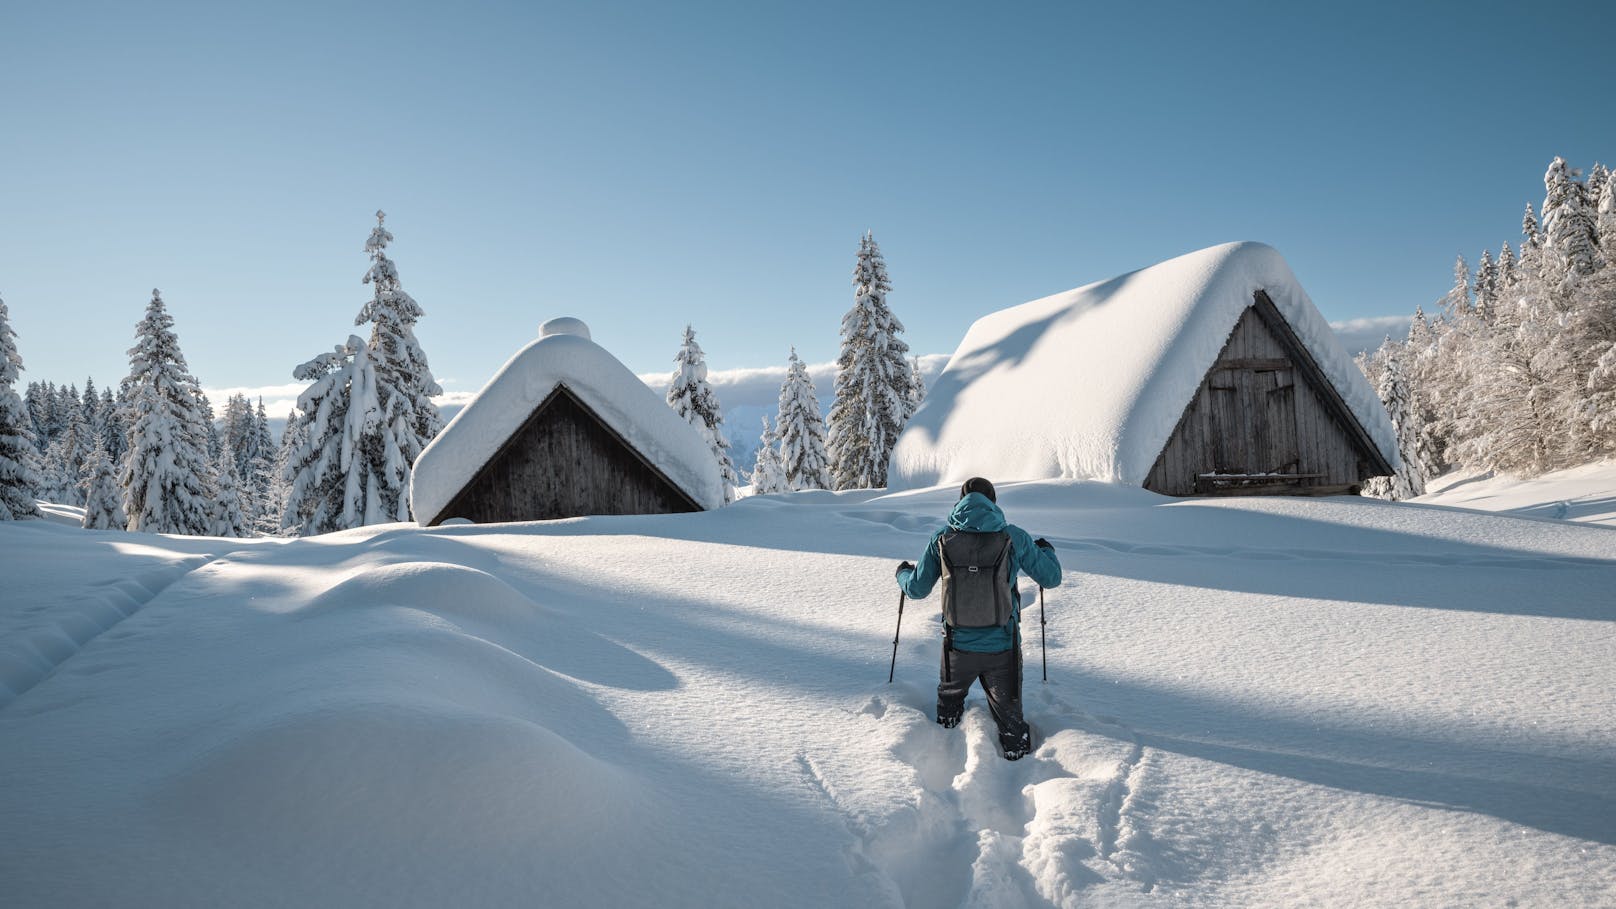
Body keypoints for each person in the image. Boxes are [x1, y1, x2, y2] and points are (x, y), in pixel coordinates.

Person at [895, 477, 1061, 760]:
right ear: (993, 502)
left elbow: (916, 589)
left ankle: (942, 762)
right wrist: (1047, 551)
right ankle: (1018, 770)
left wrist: (902, 573)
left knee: (948, 718)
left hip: (956, 648)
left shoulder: (942, 538)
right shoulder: (1013, 537)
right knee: (1011, 726)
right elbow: (1051, 578)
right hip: (1002, 648)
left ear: (959, 502)